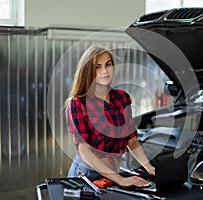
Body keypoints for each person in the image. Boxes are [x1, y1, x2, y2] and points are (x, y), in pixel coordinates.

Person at [65, 45, 155, 187]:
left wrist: (149, 168)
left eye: (108, 64)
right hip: (87, 174)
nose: (105, 71)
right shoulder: (78, 104)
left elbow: (132, 141)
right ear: (88, 71)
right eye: (98, 67)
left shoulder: (122, 98)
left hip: (114, 172)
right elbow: (84, 151)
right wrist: (120, 179)